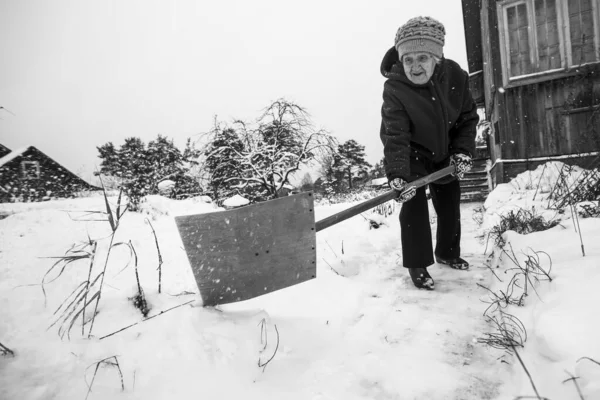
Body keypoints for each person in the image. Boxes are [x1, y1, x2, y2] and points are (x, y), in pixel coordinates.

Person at [379, 16, 479, 290]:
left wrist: (461, 152)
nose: (415, 66)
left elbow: (467, 119)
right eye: (408, 59)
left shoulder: (456, 78)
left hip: (445, 150)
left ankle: (447, 251)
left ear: (437, 57)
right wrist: (399, 175)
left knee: (449, 200)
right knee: (413, 205)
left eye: (422, 57)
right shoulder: (395, 88)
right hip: (412, 153)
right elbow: (395, 134)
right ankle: (417, 262)